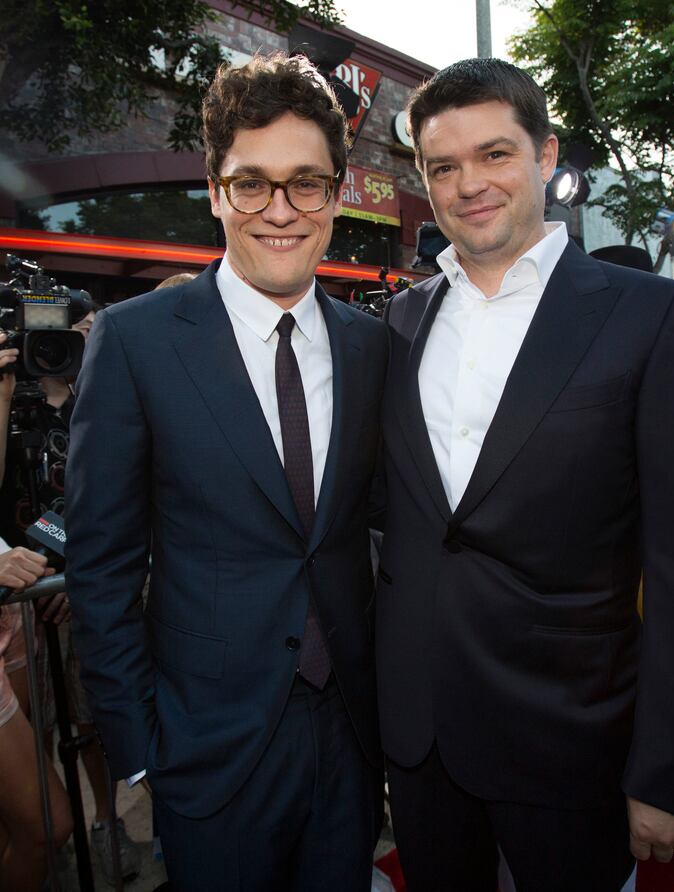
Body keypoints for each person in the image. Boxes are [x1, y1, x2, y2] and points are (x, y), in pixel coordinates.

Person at [375, 58, 674, 892]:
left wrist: (670, 771)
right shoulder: (400, 320)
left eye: (495, 154)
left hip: (573, 740)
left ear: (545, 156)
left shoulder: (653, 316)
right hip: (423, 742)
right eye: (443, 166)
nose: (469, 184)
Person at [66, 52, 388, 892]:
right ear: (215, 191)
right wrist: (139, 751)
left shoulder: (372, 346)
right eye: (251, 184)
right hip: (205, 752)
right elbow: (101, 567)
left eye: (306, 184)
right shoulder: (135, 341)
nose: (279, 211)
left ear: (336, 195)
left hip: (352, 741)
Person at [0, 332, 73, 891]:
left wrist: (66, 558)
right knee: (45, 823)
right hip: (19, 592)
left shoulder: (81, 404)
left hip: (22, 610)